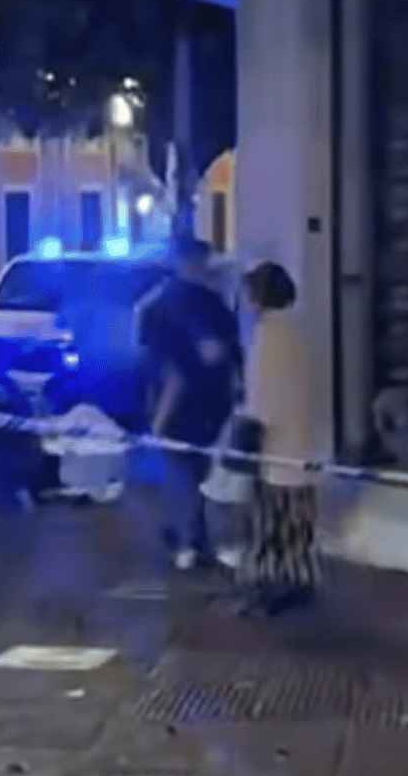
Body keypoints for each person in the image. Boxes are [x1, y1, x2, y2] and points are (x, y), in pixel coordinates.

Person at [137, 238, 241, 570]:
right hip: (213, 404)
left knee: (182, 475)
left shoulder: (159, 305)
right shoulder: (214, 303)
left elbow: (170, 371)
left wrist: (159, 418)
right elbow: (224, 354)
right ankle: (196, 541)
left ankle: (188, 542)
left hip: (182, 408)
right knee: (199, 475)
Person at [239, 260, 320, 614]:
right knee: (299, 523)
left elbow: (261, 398)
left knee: (273, 522)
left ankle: (274, 587)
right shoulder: (300, 329)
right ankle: (301, 579)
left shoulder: (267, 334)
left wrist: (248, 437)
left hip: (275, 448)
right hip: (303, 443)